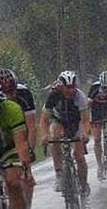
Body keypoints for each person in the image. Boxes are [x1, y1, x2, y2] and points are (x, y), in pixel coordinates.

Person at [0, 68, 37, 209]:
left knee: (26, 176)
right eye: (5, 92)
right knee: (7, 177)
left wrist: (30, 149)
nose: (9, 95)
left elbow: (31, 126)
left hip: (21, 133)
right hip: (1, 136)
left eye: (11, 91)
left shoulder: (24, 93)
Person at [39, 70, 91, 198]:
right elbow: (44, 120)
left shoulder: (80, 96)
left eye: (73, 87)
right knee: (54, 137)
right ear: (61, 87)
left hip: (75, 122)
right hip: (59, 120)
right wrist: (45, 135)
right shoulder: (53, 95)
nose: (70, 91)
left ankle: (84, 185)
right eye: (67, 88)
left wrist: (85, 134)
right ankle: (59, 174)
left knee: (79, 156)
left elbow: (85, 120)